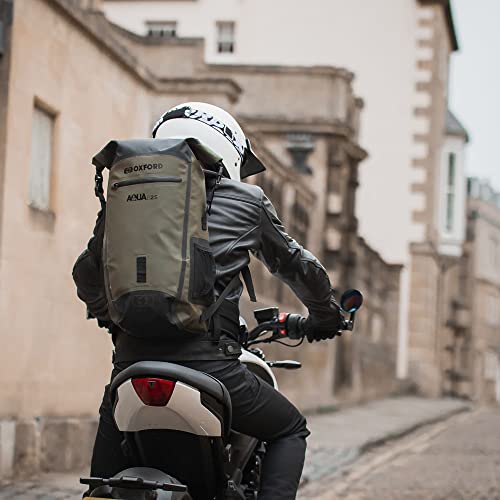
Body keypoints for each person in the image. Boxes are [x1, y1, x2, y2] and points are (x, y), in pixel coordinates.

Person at [73, 102, 344, 500]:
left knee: (103, 484)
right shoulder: (246, 200)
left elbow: (85, 274)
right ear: (228, 149)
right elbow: (298, 268)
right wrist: (325, 316)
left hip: (130, 366)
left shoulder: (127, 194)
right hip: (213, 369)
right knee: (290, 429)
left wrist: (113, 319)